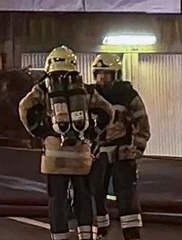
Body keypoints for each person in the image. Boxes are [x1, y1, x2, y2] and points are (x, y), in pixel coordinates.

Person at [19, 46, 114, 240]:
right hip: (81, 154)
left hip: (55, 157)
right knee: (84, 196)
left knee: (58, 199)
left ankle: (60, 236)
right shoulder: (84, 89)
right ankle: (86, 235)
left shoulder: (43, 88)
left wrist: (40, 132)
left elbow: (24, 107)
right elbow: (107, 111)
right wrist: (94, 133)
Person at [89, 54, 149, 239]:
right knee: (96, 193)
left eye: (106, 75)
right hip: (98, 153)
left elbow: (142, 123)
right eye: (99, 74)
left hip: (122, 153)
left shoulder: (128, 95)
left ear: (116, 75)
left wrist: (137, 149)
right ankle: (100, 229)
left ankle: (132, 233)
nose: (102, 79)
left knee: (126, 195)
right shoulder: (90, 96)